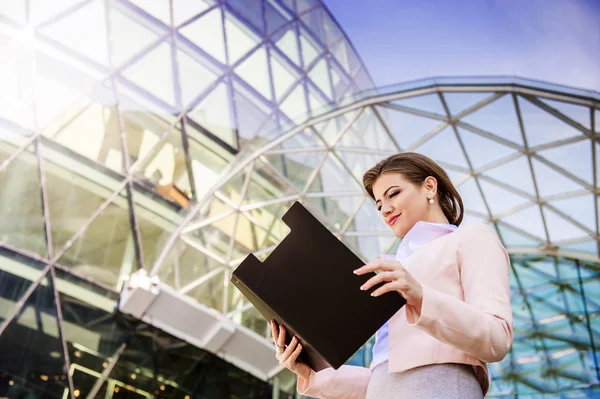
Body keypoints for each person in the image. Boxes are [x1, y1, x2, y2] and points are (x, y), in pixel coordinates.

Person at [270, 152, 513, 399]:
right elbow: (387, 374)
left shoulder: (471, 238)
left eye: (393, 194)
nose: (385, 210)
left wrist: (420, 296)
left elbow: (498, 338)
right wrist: (312, 373)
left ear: (429, 187)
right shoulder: (393, 268)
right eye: (378, 204)